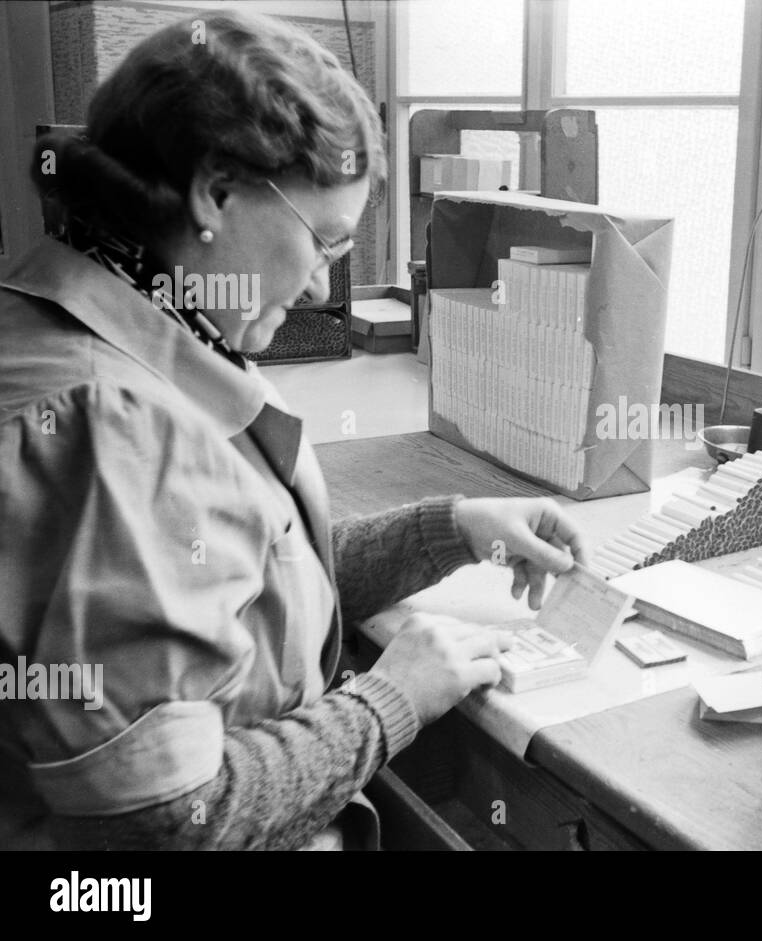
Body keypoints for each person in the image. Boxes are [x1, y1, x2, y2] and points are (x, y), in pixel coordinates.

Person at [0, 9, 585, 850]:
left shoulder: (93, 311)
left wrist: (449, 530)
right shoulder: (118, 426)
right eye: (323, 241)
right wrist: (390, 700)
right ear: (217, 192)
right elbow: (158, 824)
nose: (320, 288)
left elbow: (236, 591)